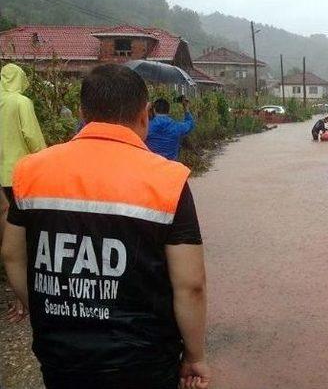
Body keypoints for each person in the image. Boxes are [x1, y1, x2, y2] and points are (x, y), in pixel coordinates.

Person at [1, 64, 211, 389]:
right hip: (145, 360)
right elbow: (191, 285)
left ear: (83, 113)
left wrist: (46, 313)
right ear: (144, 115)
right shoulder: (168, 181)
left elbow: (12, 255)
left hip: (60, 356)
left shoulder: (30, 172)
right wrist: (194, 356)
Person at [1, 63, 47, 323]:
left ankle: (14, 297)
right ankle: (23, 299)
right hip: (18, 178)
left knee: (5, 240)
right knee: (23, 240)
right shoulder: (21, 103)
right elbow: (33, 137)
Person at [146, 96, 195, 160]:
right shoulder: (177, 127)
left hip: (151, 165)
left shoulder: (146, 127)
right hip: (171, 166)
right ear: (168, 111)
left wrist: (146, 110)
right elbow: (190, 124)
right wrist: (186, 107)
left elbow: (132, 129)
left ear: (154, 110)